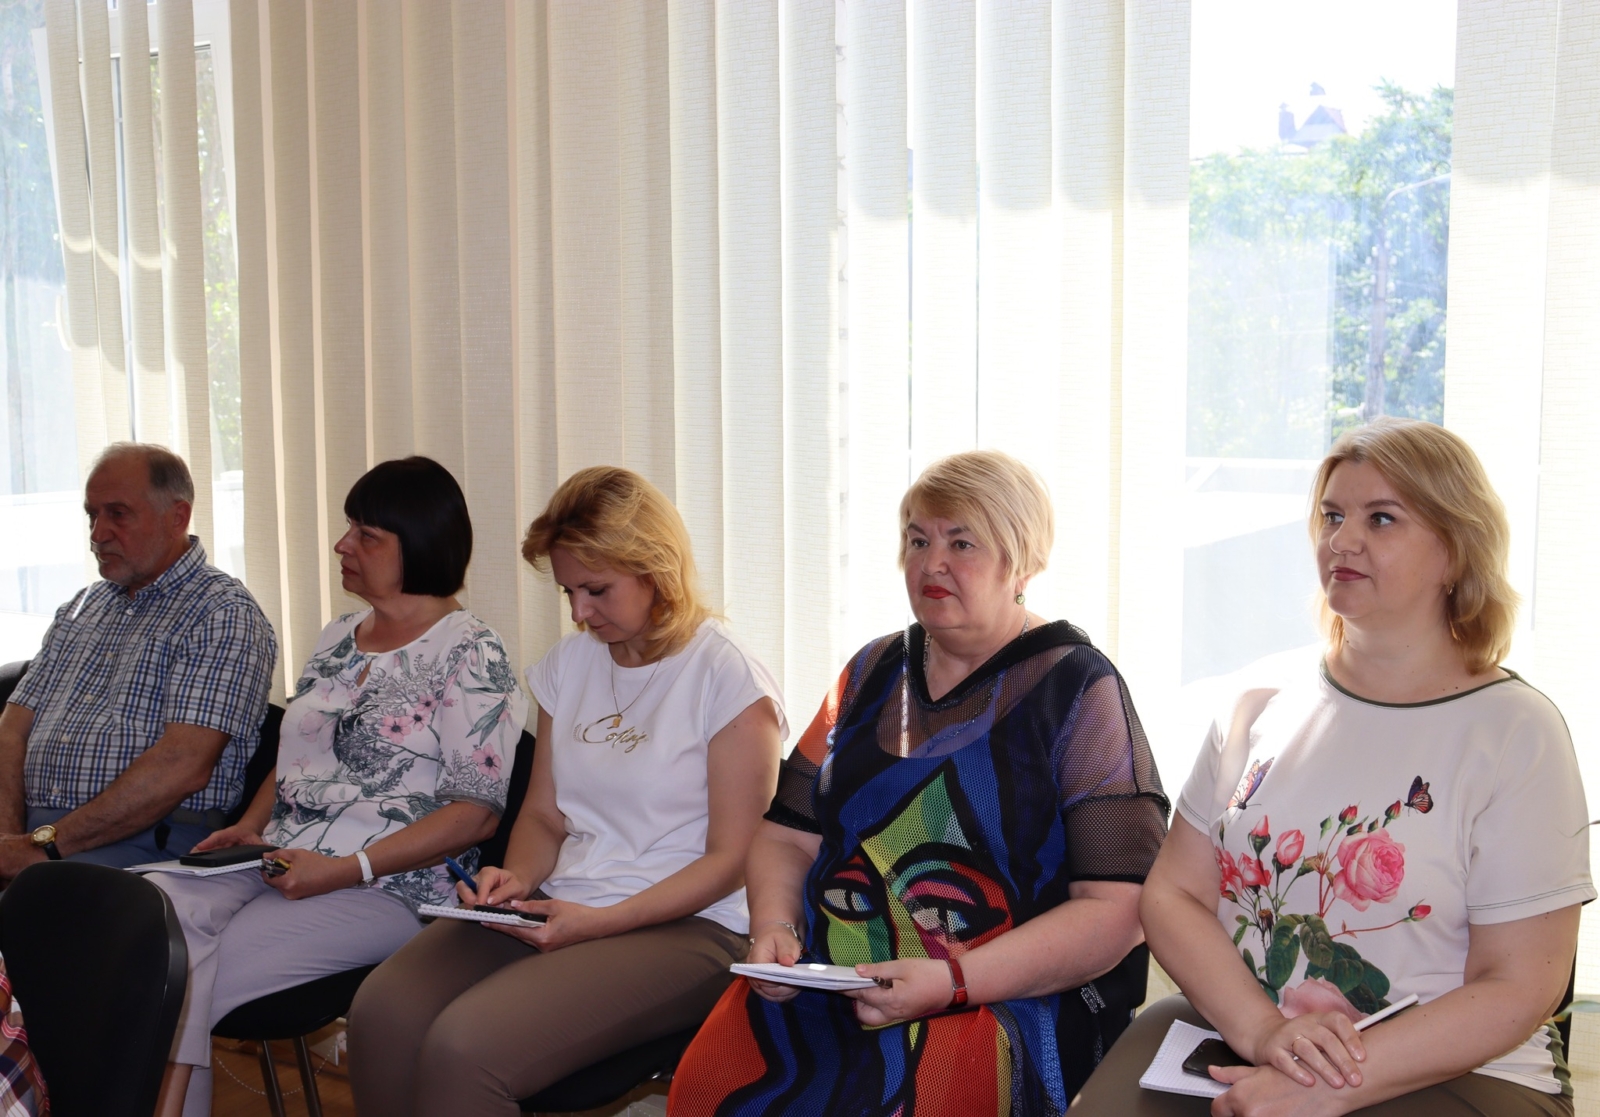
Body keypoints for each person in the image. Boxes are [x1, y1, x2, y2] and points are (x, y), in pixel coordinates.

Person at [1075, 418, 1591, 1116]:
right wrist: (1263, 1029)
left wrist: (1324, 1084)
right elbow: (1174, 896)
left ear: (1455, 551)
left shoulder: (1516, 732)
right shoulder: (1257, 701)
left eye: (1381, 518)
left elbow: (1519, 986)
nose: (1342, 540)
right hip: (1245, 1033)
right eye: (1332, 516)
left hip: (1462, 1071)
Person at [668, 450, 1170, 1117]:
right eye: (917, 540)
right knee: (708, 1087)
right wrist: (776, 927)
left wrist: (952, 981)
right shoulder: (868, 671)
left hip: (1001, 1000)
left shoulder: (1080, 688)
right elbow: (786, 836)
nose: (932, 563)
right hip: (831, 980)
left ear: (1020, 561)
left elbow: (1119, 911)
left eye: (961, 543)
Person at [347, 465, 786, 1116]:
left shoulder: (727, 677)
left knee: (465, 1048)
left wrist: (598, 922)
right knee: (382, 1012)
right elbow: (545, 816)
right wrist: (517, 877)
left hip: (692, 925)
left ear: (656, 571)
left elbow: (732, 860)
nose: (580, 612)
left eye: (597, 590)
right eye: (568, 591)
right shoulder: (568, 663)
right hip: (568, 900)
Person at [150, 457, 526, 1117]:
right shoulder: (337, 638)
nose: (342, 545)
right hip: (280, 859)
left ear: (419, 547)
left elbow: (475, 815)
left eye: (366, 535)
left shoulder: (472, 651)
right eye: (349, 527)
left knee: (182, 979)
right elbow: (299, 751)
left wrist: (348, 867)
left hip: (392, 887)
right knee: (137, 920)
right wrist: (252, 824)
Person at [0, 442, 275, 875]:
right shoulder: (83, 606)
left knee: (40, 903)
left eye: (118, 514)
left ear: (177, 517)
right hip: (38, 838)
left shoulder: (222, 613)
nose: (98, 534)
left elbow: (182, 767)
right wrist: (9, 842)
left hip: (147, 841)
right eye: (92, 515)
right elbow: (12, 729)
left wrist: (42, 849)